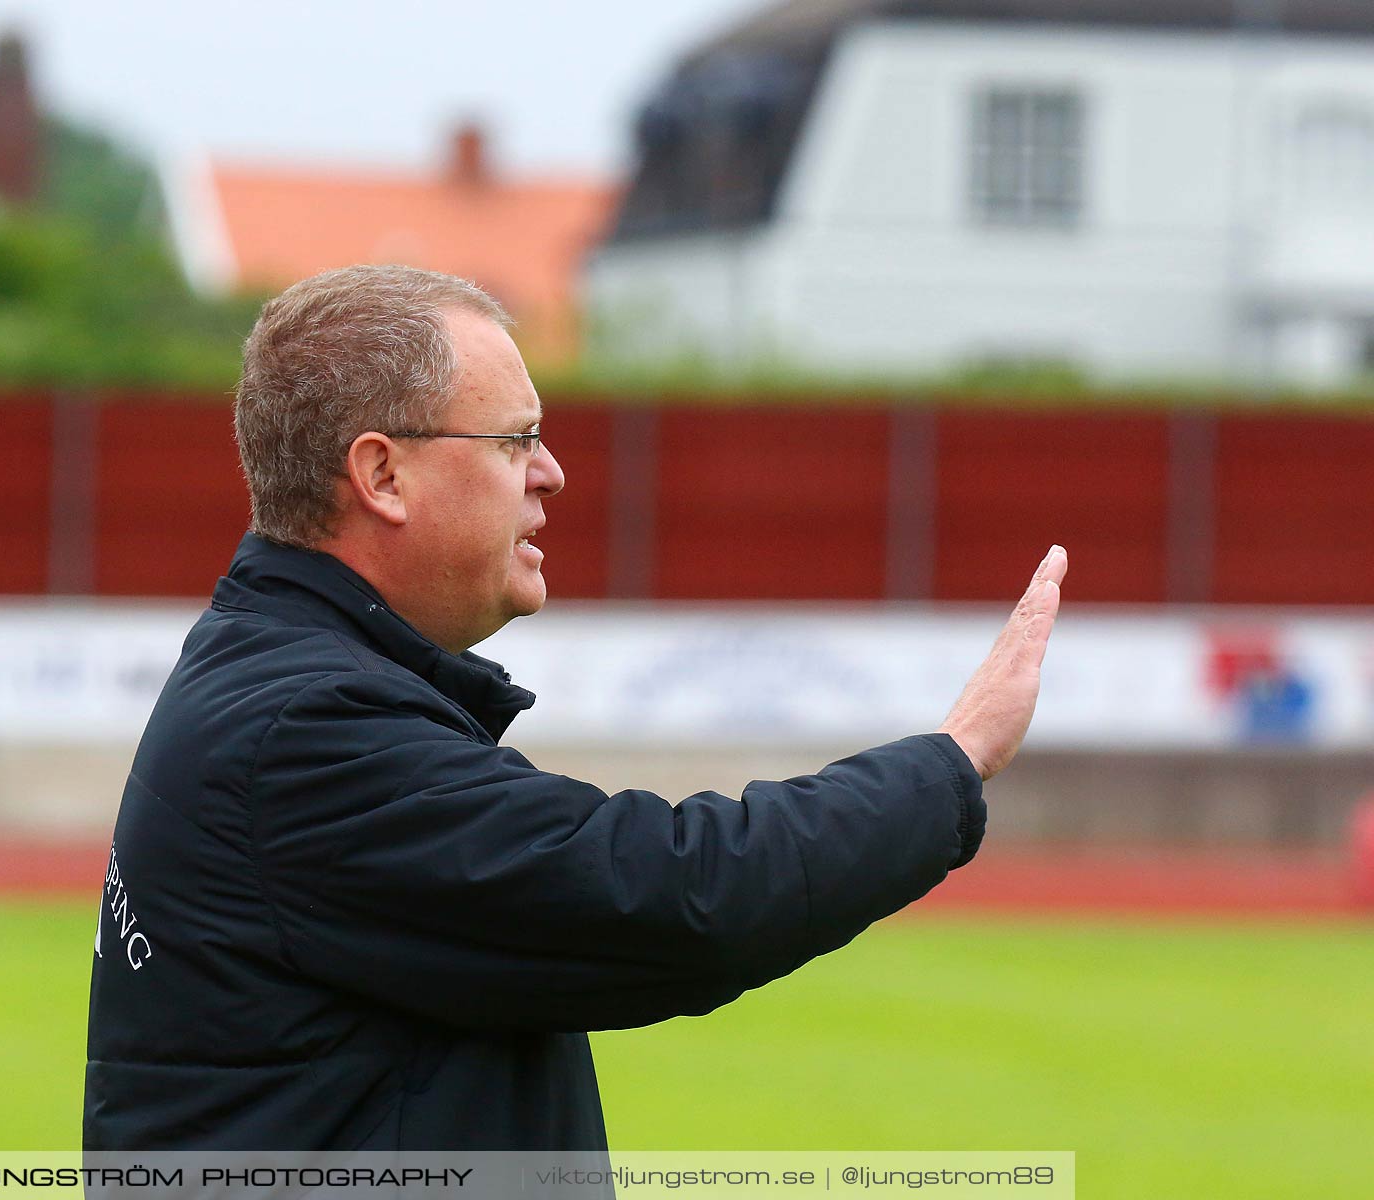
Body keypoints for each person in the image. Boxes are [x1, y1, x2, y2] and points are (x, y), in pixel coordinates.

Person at [84, 264, 1067, 1152]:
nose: (552, 472)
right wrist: (954, 758)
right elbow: (673, 897)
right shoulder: (306, 735)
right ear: (384, 475)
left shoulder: (277, 680)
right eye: (515, 440)